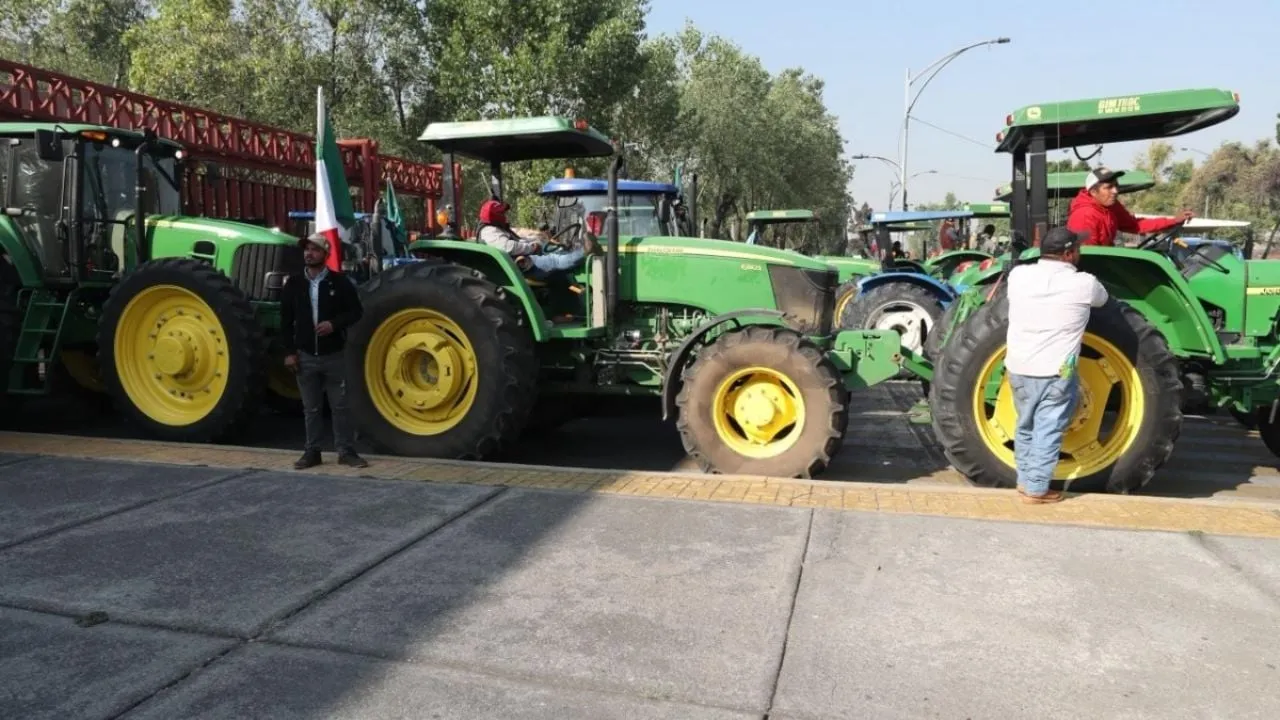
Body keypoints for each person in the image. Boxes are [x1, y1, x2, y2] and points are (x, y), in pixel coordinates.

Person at [1004, 226, 1108, 503]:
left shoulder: (1018, 275)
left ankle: (1025, 481)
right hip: (1056, 371)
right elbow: (1103, 299)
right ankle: (1037, 488)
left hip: (1019, 365)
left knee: (1025, 424)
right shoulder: (1085, 283)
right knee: (1048, 428)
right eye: (1078, 249)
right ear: (1069, 253)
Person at [281, 233, 368, 470]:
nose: (309, 253)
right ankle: (312, 451)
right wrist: (289, 352)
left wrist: (334, 324)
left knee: (340, 406)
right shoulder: (294, 284)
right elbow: (286, 321)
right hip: (305, 355)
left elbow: (356, 312)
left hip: (334, 355)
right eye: (306, 249)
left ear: (325, 255)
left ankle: (346, 451)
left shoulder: (340, 283)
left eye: (315, 249)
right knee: (311, 407)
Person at [1066, 167, 1193, 247]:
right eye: (1109, 187)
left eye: (1116, 186)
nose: (1115, 191)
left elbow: (1135, 226)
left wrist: (1173, 221)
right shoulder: (1084, 215)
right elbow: (1088, 256)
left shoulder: (1111, 207)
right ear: (1093, 192)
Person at [476, 199, 600, 278]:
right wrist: (530, 248)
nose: (505, 216)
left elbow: (517, 240)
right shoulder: (489, 231)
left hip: (522, 259)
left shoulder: (497, 228)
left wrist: (536, 242)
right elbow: (508, 247)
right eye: (502, 213)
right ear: (494, 216)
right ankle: (585, 252)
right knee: (554, 260)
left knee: (558, 251)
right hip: (520, 265)